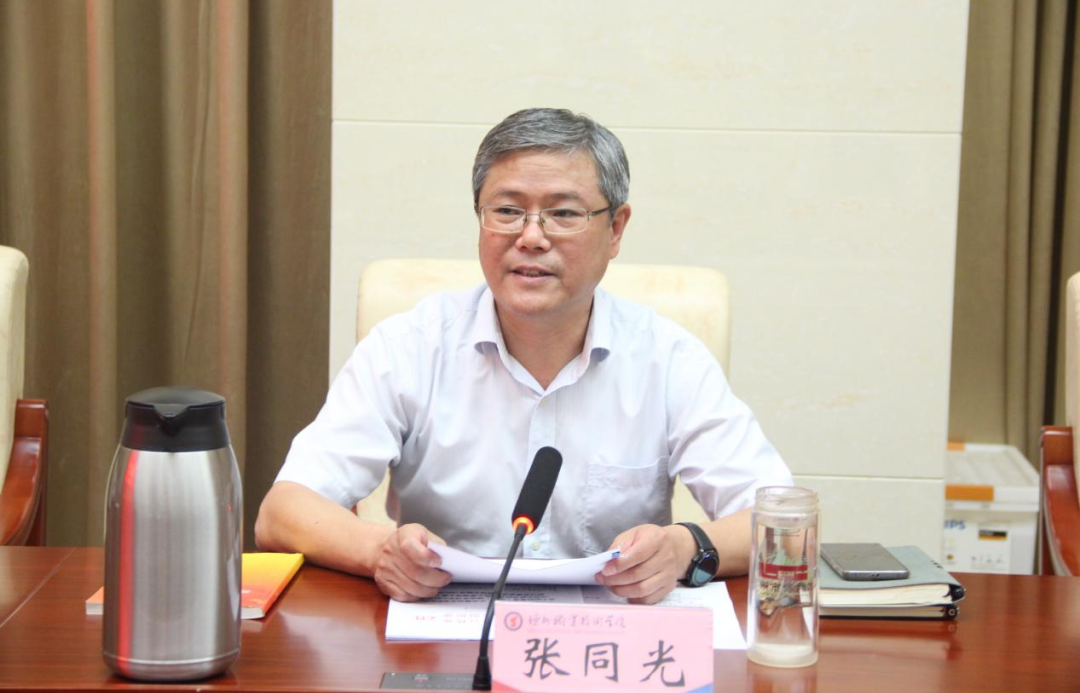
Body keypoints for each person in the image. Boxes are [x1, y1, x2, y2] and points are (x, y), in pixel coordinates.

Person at [255, 108, 792, 604]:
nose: (531, 237)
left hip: (608, 645)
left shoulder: (669, 360)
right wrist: (380, 551)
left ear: (615, 230)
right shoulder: (408, 347)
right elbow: (282, 512)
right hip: (444, 632)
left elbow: (783, 525)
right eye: (507, 211)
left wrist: (686, 547)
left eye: (563, 213)